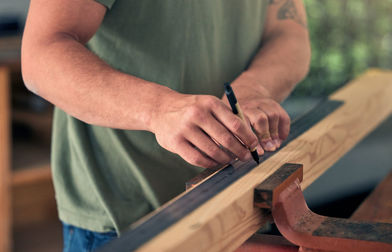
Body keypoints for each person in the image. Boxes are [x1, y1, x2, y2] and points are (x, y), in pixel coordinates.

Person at [21, 0, 310, 250]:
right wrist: (158, 109)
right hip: (125, 216)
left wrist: (255, 88)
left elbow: (289, 31)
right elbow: (43, 52)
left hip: (238, 201)